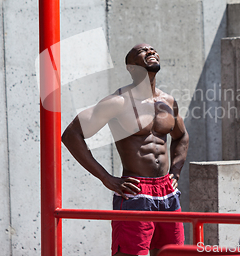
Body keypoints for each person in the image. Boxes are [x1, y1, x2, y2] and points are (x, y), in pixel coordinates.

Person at [62, 43, 189, 256]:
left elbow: (181, 136)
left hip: (167, 190)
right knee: (131, 253)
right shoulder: (118, 102)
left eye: (153, 49)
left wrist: (176, 172)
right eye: (142, 51)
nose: (151, 51)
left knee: (171, 252)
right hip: (136, 190)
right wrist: (105, 177)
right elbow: (71, 135)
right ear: (130, 67)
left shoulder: (168, 101)